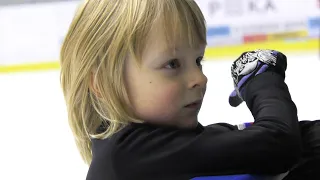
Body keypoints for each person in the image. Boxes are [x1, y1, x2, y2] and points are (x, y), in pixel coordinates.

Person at [59, 0, 319, 179]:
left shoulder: (151, 149)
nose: (200, 78)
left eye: (198, 60)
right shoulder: (130, 158)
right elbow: (279, 143)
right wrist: (261, 79)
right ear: (103, 83)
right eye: (172, 64)